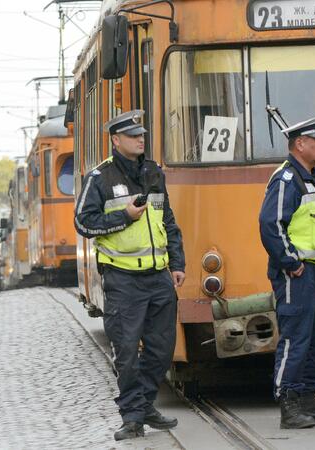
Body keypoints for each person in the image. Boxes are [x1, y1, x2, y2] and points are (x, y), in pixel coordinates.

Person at [74, 109, 186, 441]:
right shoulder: (99, 178)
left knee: (161, 350)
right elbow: (83, 222)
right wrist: (124, 216)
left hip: (159, 277)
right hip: (123, 279)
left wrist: (177, 263)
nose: (141, 139)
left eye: (142, 135)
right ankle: (133, 416)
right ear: (116, 140)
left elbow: (168, 221)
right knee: (126, 351)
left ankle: (144, 404)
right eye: (134, 136)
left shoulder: (153, 172)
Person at [258, 114, 315, 429]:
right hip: (298, 274)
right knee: (297, 338)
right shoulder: (286, 179)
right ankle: (289, 404)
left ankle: (311, 399)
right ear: (300, 144)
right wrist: (291, 262)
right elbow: (270, 225)